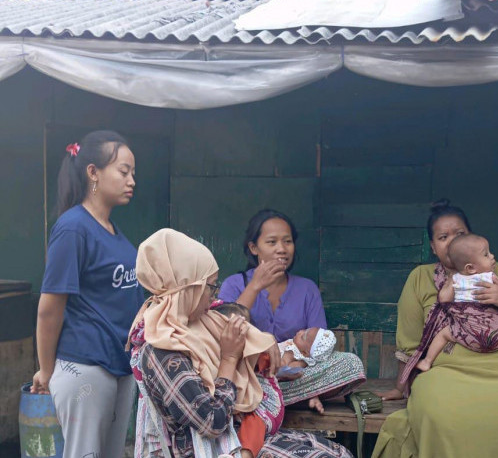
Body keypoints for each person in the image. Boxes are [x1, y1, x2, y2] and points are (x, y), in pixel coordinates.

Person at [130, 228, 353, 458]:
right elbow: (212, 422)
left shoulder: (201, 320)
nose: (213, 296)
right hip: (213, 449)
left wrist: (261, 347)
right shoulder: (161, 350)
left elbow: (238, 325)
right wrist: (229, 359)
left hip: (238, 433)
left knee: (339, 453)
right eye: (210, 286)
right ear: (188, 288)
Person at [373, 199, 498, 458]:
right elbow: (410, 345)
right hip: (447, 370)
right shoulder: (420, 278)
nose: (451, 242)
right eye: (442, 237)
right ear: (433, 247)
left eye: (459, 234)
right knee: (442, 413)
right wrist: (400, 386)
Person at [30, 131, 143, 458]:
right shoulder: (73, 227)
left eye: (133, 173)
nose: (131, 180)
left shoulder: (114, 233)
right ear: (93, 172)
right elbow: (50, 308)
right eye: (123, 171)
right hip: (85, 366)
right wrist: (47, 370)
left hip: (120, 367)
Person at [220, 209, 365, 414]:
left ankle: (278, 398)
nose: (282, 249)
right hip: (248, 376)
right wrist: (254, 287)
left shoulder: (306, 289)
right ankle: (281, 396)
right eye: (272, 242)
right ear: (254, 248)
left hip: (294, 377)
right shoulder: (234, 284)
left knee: (350, 363)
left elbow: (319, 352)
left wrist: (294, 368)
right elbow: (223, 333)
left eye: (287, 242)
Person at [405, 234, 498, 377]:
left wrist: (449, 282)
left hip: (469, 336)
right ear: (470, 268)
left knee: (444, 333)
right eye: (486, 254)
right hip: (497, 335)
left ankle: (427, 361)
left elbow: (443, 300)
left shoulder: (456, 279)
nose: (492, 256)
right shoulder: (492, 277)